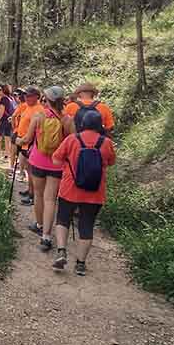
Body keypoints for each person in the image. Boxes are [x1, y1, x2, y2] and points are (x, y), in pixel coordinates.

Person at [50, 109, 117, 276]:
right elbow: (110, 162)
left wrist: (68, 165)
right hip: (95, 192)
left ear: (82, 124)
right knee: (86, 226)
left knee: (63, 219)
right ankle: (80, 264)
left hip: (69, 189)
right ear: (99, 126)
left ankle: (61, 252)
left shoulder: (72, 139)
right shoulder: (106, 142)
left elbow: (56, 159)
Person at [16, 86, 66, 249]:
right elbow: (71, 142)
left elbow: (27, 139)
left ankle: (39, 225)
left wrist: (18, 141)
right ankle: (46, 237)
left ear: (47, 100)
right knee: (51, 199)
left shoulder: (39, 116)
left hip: (38, 161)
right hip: (57, 164)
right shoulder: (67, 120)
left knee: (38, 195)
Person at [15, 86, 44, 205]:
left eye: (29, 96)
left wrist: (23, 140)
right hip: (23, 141)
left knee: (32, 170)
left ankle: (33, 195)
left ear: (37, 96)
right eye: (25, 95)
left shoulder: (38, 109)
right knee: (28, 168)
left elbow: (35, 130)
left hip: (29, 143)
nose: (26, 97)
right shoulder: (28, 107)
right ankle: (30, 190)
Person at [0, 84, 16, 159]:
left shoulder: (3, 99)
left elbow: (1, 111)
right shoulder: (11, 98)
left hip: (3, 120)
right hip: (9, 120)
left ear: (3, 90)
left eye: (0, 90)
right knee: (7, 138)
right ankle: (7, 154)